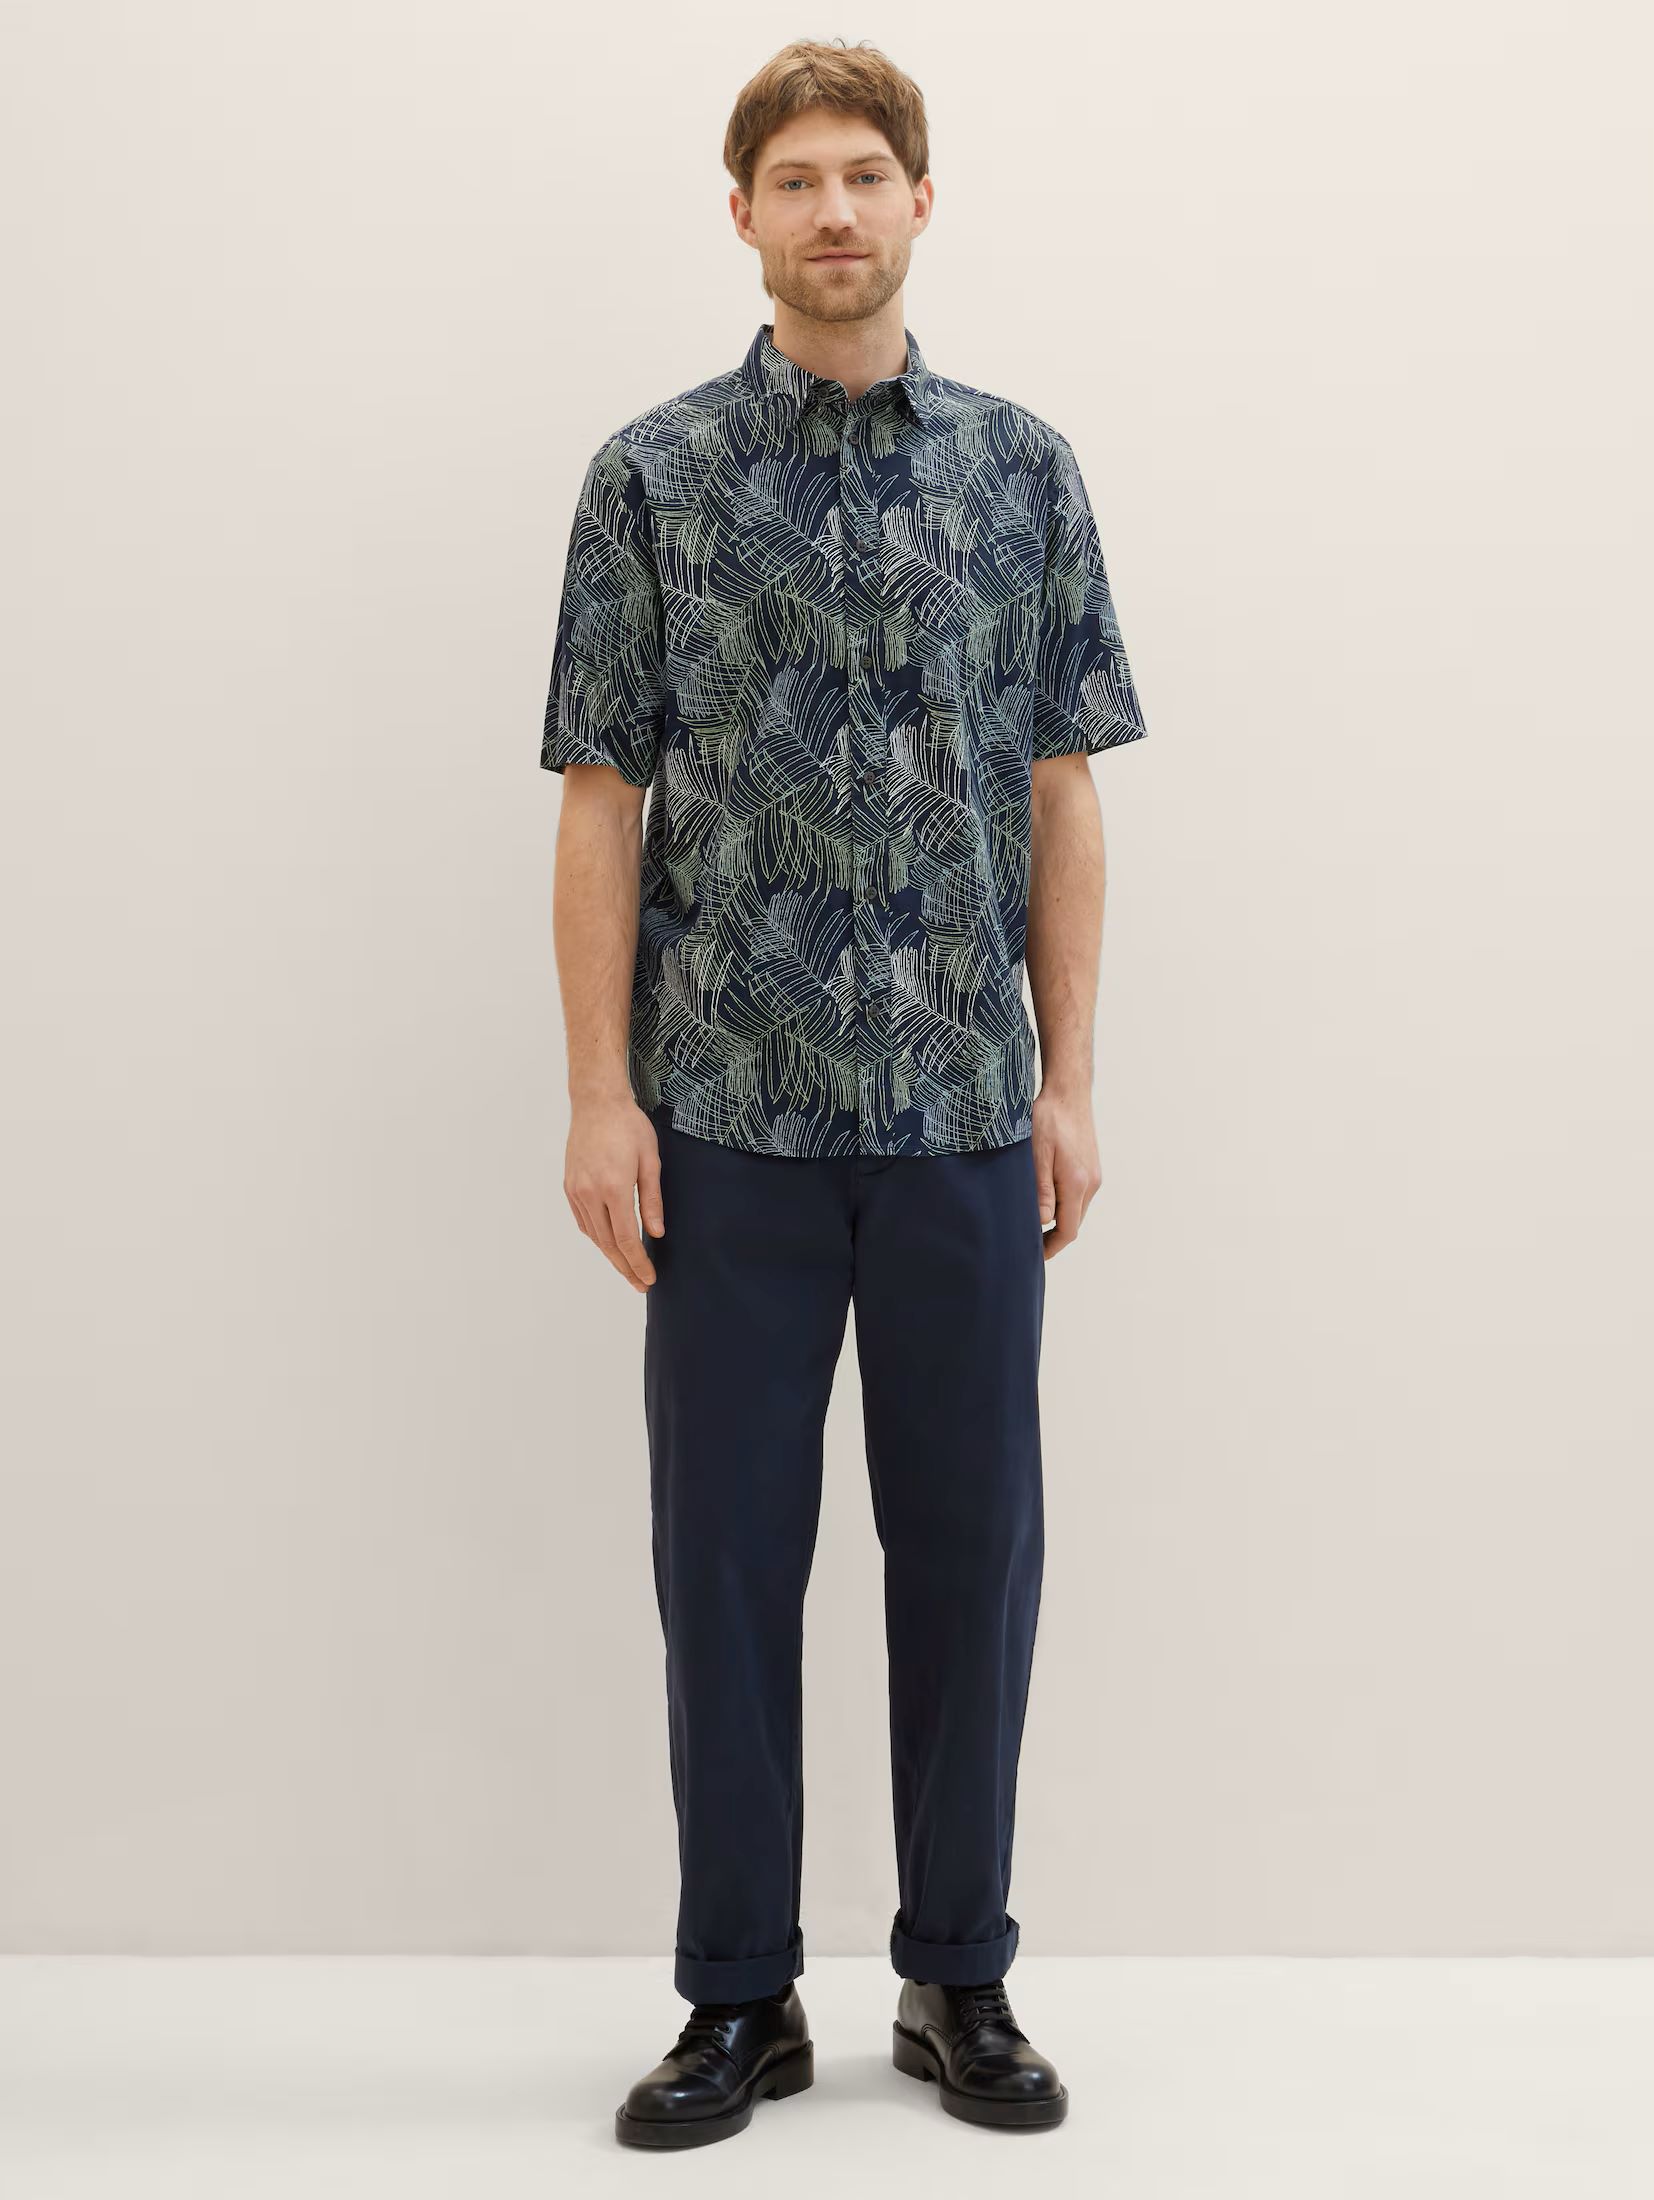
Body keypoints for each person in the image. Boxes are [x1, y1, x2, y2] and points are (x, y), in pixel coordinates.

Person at [541, 37, 1147, 2149]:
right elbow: (601, 801)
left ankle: (955, 1969)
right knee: (722, 1560)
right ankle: (739, 1994)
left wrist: (1071, 1078)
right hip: (725, 1120)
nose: (829, 209)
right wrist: (596, 1095)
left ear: (917, 203)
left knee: (970, 1552)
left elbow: (1061, 791)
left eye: (862, 173)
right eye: (792, 178)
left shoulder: (1020, 472)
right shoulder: (649, 478)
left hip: (965, 1110)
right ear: (741, 214)